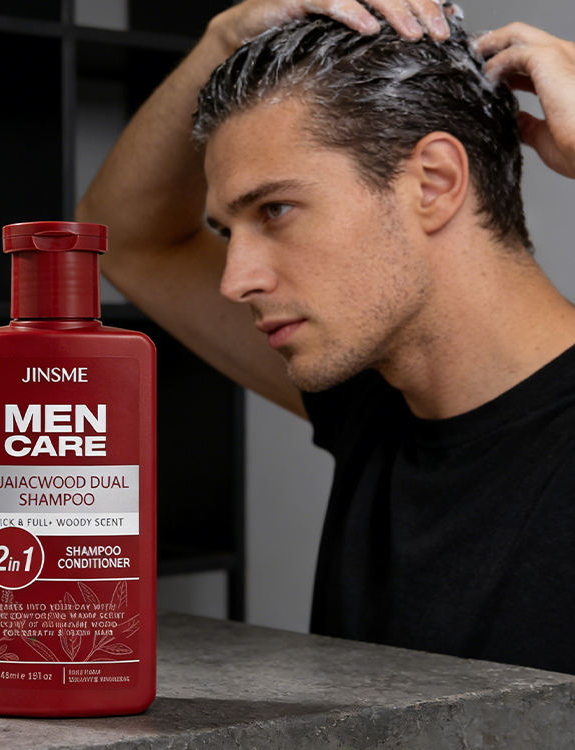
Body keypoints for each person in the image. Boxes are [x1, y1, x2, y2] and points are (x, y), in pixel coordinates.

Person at [77, 0, 575, 673]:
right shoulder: (374, 400)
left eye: (275, 209)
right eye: (229, 230)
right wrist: (223, 36)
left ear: (434, 182)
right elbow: (126, 240)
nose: (236, 281)